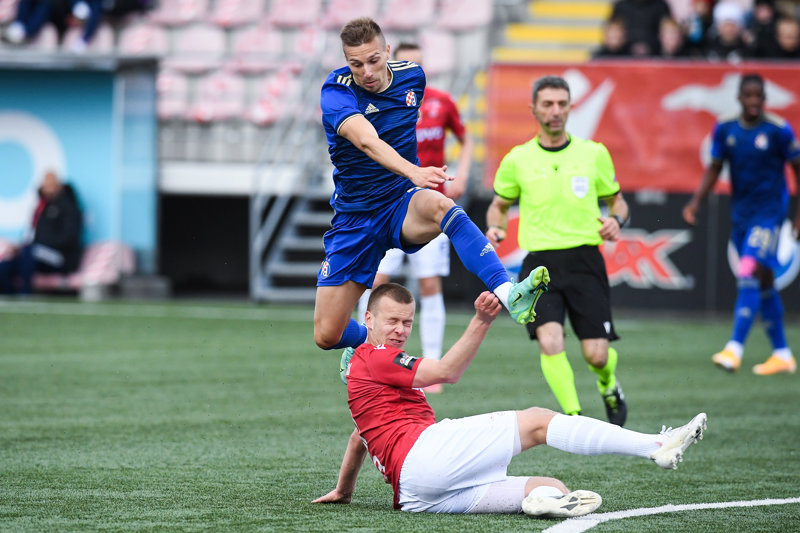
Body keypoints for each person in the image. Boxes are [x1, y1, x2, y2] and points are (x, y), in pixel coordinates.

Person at [313, 283, 707, 515]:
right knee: (537, 420)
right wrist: (482, 320)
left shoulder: (368, 378)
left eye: (407, 322)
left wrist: (344, 491)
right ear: (368, 320)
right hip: (422, 458)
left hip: (416, 497)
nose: (400, 330)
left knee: (551, 486)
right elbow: (447, 371)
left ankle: (540, 504)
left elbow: (358, 438)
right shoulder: (375, 356)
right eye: (392, 321)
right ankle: (656, 445)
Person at [316, 18, 547, 372]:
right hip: (355, 220)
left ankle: (508, 292)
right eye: (356, 64)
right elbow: (366, 140)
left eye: (373, 60)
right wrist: (413, 170)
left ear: (388, 51)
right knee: (327, 334)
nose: (366, 72)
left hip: (399, 202)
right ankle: (366, 343)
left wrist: (413, 179)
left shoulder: (413, 77)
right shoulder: (336, 91)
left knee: (443, 207)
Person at [485, 75, 631, 426]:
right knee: (550, 342)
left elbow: (618, 202)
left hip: (585, 261)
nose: (555, 111)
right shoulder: (518, 159)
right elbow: (499, 205)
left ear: (570, 107)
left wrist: (617, 221)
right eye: (548, 104)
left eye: (562, 104)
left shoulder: (594, 154)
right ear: (533, 109)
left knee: (597, 355)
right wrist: (496, 227)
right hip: (539, 266)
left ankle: (608, 384)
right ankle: (574, 418)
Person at [355, 41, 473, 393]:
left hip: (429, 208)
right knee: (375, 281)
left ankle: (431, 368)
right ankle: (363, 355)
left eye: (418, 64)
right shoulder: (378, 103)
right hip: (389, 205)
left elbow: (466, 139)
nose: (413, 70)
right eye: (406, 63)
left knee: (429, 284)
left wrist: (463, 175)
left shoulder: (441, 102)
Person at [683, 73, 800, 376]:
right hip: (741, 215)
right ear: (738, 98)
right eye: (748, 96)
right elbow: (714, 167)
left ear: (765, 98)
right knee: (764, 280)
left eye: (758, 96)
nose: (753, 101)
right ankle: (783, 354)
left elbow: (798, 169)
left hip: (769, 214)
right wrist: (695, 202)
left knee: (747, 269)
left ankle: (734, 349)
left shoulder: (779, 130)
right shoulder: (725, 128)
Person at [0, 171, 83, 295]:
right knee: (6, 265)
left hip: (61, 258)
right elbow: (33, 235)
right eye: (45, 184)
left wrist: (40, 244)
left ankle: (25, 294)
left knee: (30, 250)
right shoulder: (41, 207)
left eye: (51, 184)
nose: (48, 188)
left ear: (59, 186)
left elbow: (69, 238)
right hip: (38, 254)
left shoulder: (69, 207)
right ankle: (10, 295)